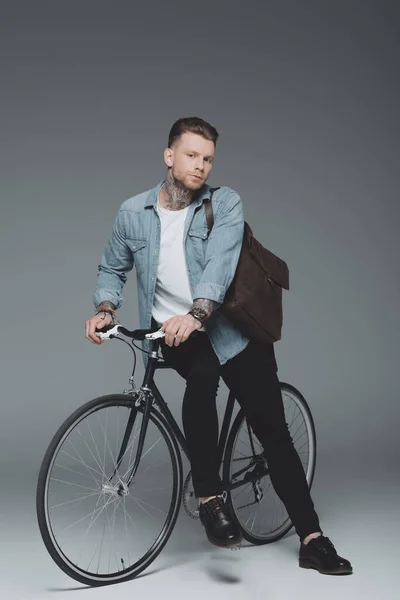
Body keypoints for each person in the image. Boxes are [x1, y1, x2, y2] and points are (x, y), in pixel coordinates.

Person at [85, 117, 353, 575]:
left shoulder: (224, 203)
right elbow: (112, 267)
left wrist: (196, 315)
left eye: (207, 158)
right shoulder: (133, 213)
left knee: (273, 431)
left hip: (230, 330)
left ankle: (312, 537)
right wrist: (106, 309)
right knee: (202, 380)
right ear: (169, 156)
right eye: (192, 155)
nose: (201, 166)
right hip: (173, 333)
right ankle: (210, 498)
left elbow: (220, 268)